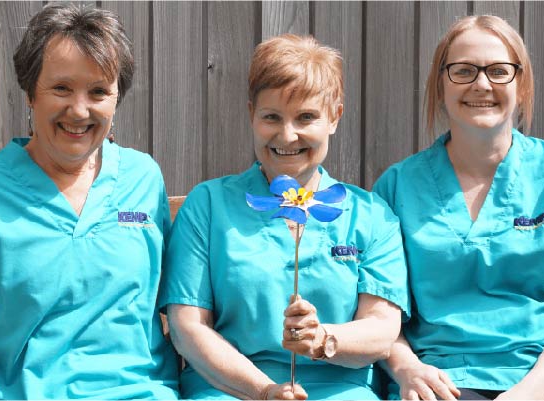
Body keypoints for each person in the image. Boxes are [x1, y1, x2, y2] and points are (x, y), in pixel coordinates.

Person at [159, 34, 409, 400]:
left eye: (306, 117)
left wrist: (321, 338)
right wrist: (264, 391)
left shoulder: (370, 215)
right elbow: (188, 329)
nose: (287, 135)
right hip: (231, 389)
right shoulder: (209, 205)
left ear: (334, 117)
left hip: (342, 390)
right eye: (271, 117)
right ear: (251, 115)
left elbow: (382, 328)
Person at [0, 4, 179, 399]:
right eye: (62, 88)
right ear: (30, 91)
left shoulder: (142, 177)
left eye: (99, 91)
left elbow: (186, 309)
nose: (80, 110)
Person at [374, 15, 544, 400]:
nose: (481, 84)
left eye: (499, 71)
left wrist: (527, 393)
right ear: (440, 84)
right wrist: (407, 369)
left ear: (522, 84)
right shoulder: (397, 187)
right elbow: (381, 318)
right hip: (440, 381)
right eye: (463, 70)